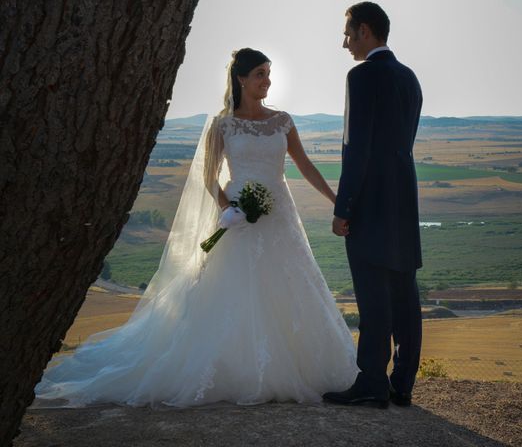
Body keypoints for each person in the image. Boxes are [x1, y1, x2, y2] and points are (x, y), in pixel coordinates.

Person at [34, 48, 358, 408]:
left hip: (279, 215)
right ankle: (235, 368)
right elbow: (208, 173)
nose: (267, 81)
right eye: (260, 75)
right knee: (232, 291)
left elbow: (306, 166)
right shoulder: (223, 124)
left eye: (269, 74)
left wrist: (336, 201)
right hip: (237, 218)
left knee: (291, 284)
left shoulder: (282, 121)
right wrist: (227, 208)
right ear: (241, 79)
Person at [322, 2, 423, 409]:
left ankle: (371, 384)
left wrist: (344, 207)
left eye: (347, 34)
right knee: (404, 294)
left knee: (372, 296)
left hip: (371, 204)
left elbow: (356, 149)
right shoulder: (409, 77)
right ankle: (403, 385)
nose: (345, 43)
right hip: (404, 200)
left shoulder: (361, 76)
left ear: (365, 31)